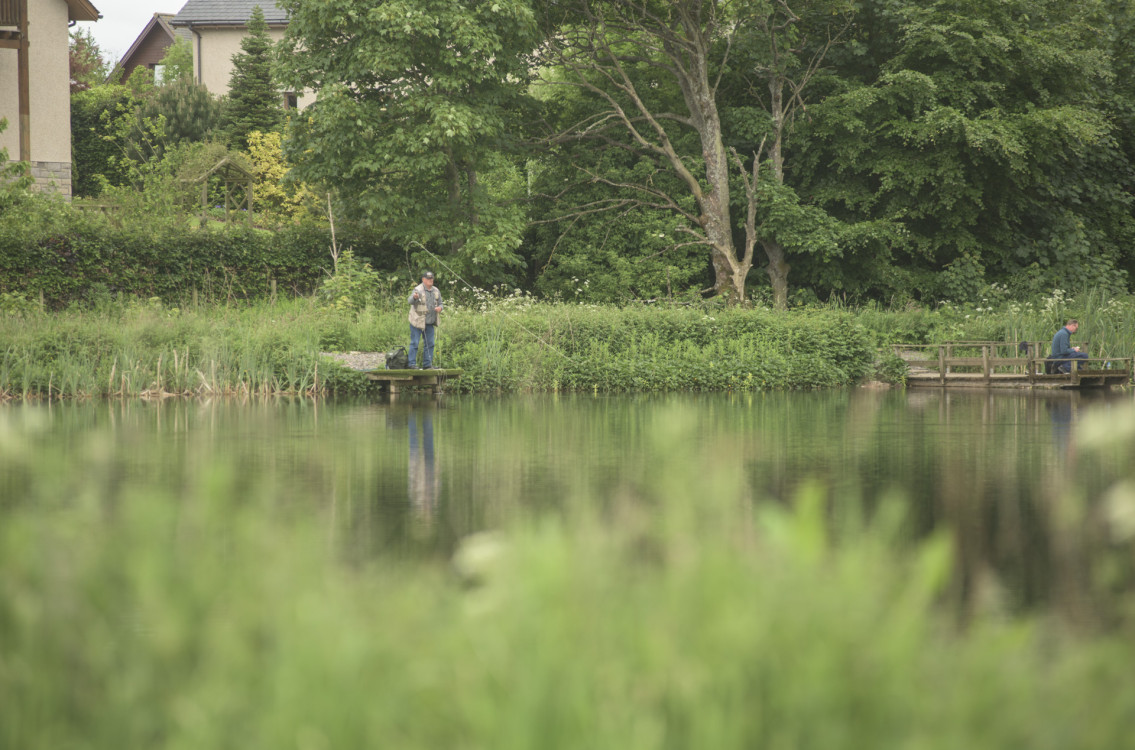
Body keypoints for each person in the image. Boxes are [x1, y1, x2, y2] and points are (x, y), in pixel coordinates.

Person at [408, 271, 443, 369]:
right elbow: (410, 301)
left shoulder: (436, 290)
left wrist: (440, 308)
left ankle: (427, 365)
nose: (430, 280)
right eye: (428, 279)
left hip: (430, 322)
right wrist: (414, 297)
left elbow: (441, 303)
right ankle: (411, 364)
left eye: (431, 278)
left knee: (430, 344)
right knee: (414, 343)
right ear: (423, 279)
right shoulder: (417, 289)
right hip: (417, 321)